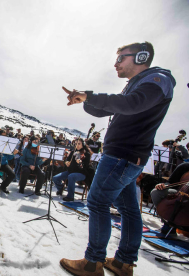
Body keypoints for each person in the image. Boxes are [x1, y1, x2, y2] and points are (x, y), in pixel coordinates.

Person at [60, 41, 175, 276]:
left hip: (121, 155)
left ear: (141, 57)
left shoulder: (157, 79)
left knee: (98, 203)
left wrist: (89, 95)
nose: (116, 63)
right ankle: (123, 263)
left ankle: (92, 263)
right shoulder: (137, 85)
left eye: (121, 58)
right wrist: (85, 99)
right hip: (128, 156)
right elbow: (105, 109)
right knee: (129, 210)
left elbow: (131, 104)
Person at [151, 162, 189, 235]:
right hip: (180, 194)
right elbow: (170, 182)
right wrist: (163, 185)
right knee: (156, 192)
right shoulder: (184, 167)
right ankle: (167, 222)